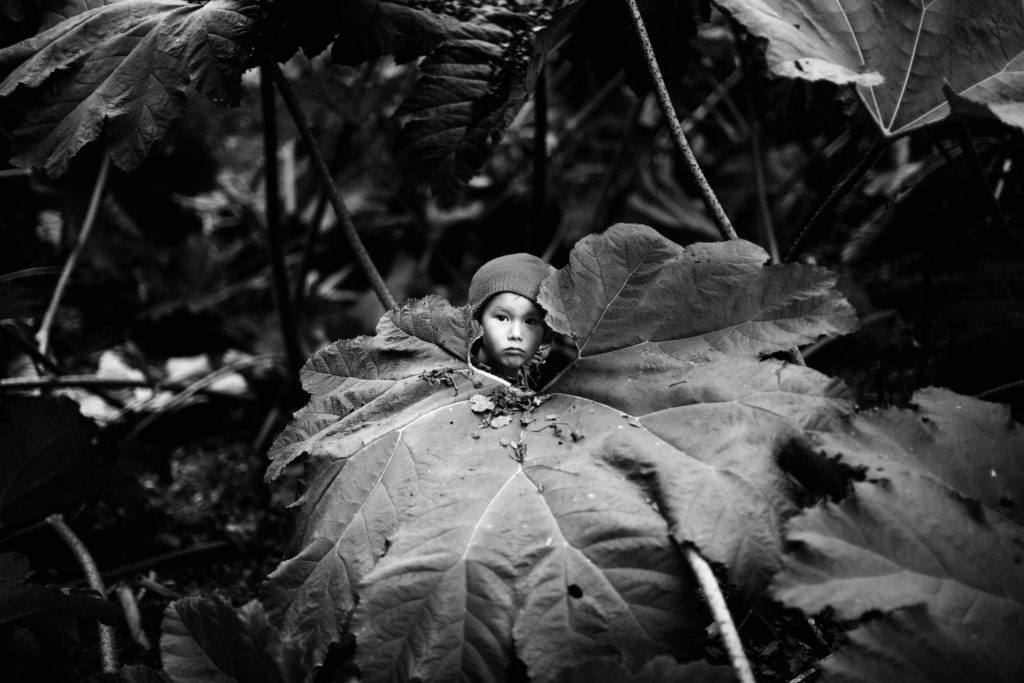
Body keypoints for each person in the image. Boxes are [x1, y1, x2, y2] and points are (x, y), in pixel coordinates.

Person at [467, 253, 555, 388]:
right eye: (502, 318)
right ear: (478, 321)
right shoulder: (453, 380)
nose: (515, 334)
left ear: (546, 331)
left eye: (530, 321)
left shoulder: (542, 384)